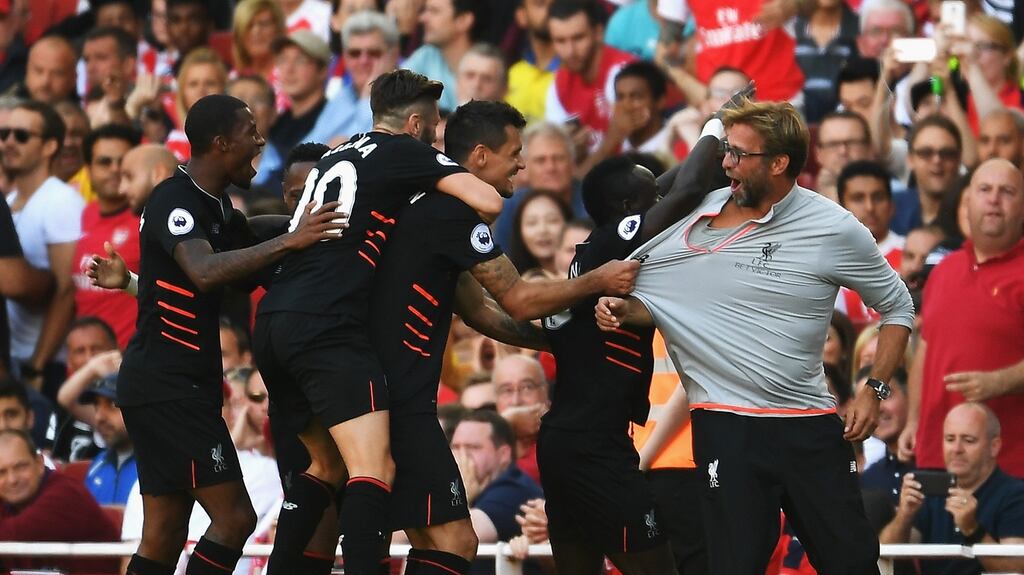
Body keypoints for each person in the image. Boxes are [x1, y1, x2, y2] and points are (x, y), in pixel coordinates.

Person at [596, 98, 915, 573]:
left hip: (809, 424)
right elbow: (658, 298)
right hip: (726, 427)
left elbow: (898, 306)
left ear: (779, 162)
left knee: (852, 563)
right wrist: (620, 307)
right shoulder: (690, 216)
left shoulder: (833, 227)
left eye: (739, 154)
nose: (725, 163)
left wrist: (874, 389)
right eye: (726, 150)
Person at [366, 98, 641, 575]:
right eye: (514, 152)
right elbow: (517, 299)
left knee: (437, 538)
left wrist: (560, 344)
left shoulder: (430, 211)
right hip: (396, 399)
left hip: (385, 393)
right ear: (478, 158)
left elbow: (482, 314)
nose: (522, 163)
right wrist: (598, 280)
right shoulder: (450, 213)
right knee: (452, 540)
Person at [252, 69, 503, 575]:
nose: (436, 137)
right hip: (328, 327)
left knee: (324, 465)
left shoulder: (335, 155)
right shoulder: (403, 151)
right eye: (433, 127)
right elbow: (489, 202)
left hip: (274, 319)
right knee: (373, 467)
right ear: (414, 123)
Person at [91, 93, 344, 575]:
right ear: (222, 143)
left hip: (174, 386)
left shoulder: (216, 206)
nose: (261, 140)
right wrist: (295, 238)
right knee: (235, 518)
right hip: (169, 387)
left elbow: (248, 238)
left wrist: (309, 224)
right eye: (251, 132)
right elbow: (205, 271)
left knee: (164, 532)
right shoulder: (174, 200)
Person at [538, 108, 730, 574]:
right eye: (648, 188)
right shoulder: (616, 242)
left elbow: (670, 186)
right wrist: (718, 124)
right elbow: (685, 190)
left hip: (571, 438)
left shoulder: (601, 245)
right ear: (628, 211)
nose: (658, 190)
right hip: (593, 446)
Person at [899, 159, 1024, 478]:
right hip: (934, 457)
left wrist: (1000, 381)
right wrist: (913, 420)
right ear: (967, 203)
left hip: (1007, 466)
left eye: (1007, 192)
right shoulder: (944, 270)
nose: (994, 199)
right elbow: (926, 351)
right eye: (985, 190)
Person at [882, 403, 1024, 574]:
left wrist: (973, 529)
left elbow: (1016, 568)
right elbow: (885, 555)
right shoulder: (929, 488)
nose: (957, 449)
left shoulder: (1015, 494)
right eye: (950, 439)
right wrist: (905, 515)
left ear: (994, 446)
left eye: (968, 440)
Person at [4, 100, 84, 399]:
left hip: (46, 365)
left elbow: (67, 291)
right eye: (5, 134)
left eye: (22, 136)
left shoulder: (60, 201)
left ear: (50, 146)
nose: (10, 142)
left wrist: (38, 365)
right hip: (13, 358)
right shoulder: (9, 200)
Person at [0, 430, 120, 574]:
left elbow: (15, 535)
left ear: (39, 463)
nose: (12, 479)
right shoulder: (6, 501)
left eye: (20, 467)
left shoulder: (66, 494)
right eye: (1, 472)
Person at [73, 123, 142, 348]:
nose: (115, 169)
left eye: (122, 162)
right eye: (105, 162)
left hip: (131, 359)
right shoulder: (82, 214)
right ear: (88, 168)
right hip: (83, 360)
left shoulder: (148, 220)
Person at [545, 0, 633, 149]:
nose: (570, 51)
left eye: (578, 38)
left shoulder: (623, 74)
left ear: (598, 33)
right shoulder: (560, 82)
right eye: (560, 41)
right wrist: (572, 149)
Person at [451, 409, 544, 547]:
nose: (462, 456)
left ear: (503, 454)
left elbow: (457, 539)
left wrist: (459, 495)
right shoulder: (479, 485)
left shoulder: (513, 489)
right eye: (456, 447)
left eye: (473, 447)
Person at [404, 0, 487, 113]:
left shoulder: (488, 66)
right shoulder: (425, 56)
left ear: (463, 20)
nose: (422, 18)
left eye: (434, 11)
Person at [80, 373, 138, 505]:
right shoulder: (98, 463)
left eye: (112, 404)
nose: (99, 417)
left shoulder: (159, 466)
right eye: (96, 406)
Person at [860, 366, 912, 506]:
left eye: (885, 395)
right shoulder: (867, 480)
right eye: (866, 402)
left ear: (911, 396)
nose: (878, 408)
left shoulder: (939, 466)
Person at [506, 0, 558, 123]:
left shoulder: (577, 71)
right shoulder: (512, 73)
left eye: (557, 4)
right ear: (521, 16)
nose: (551, 11)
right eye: (540, 4)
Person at [23, 35, 78, 104]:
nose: (45, 81)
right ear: (27, 71)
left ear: (73, 78)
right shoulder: (7, 109)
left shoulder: (88, 112)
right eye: (39, 71)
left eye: (57, 73)